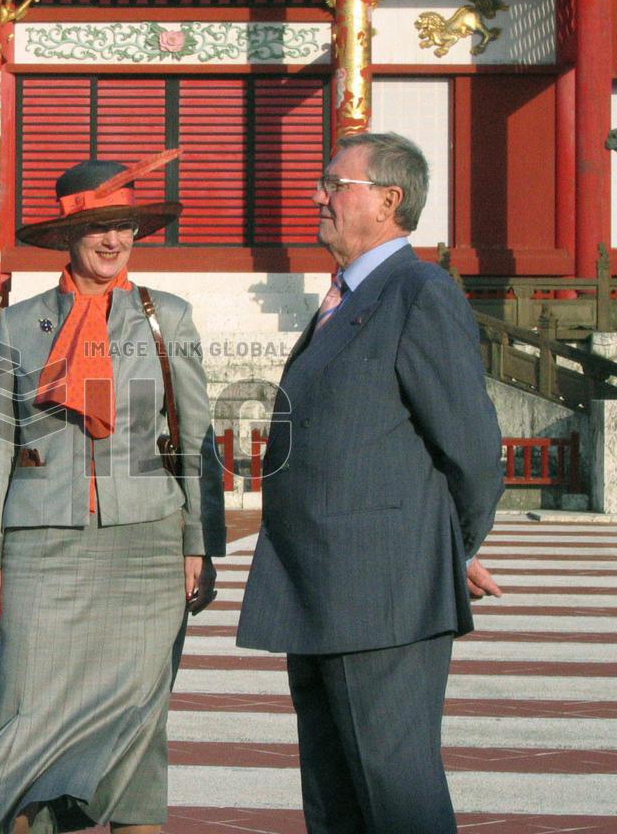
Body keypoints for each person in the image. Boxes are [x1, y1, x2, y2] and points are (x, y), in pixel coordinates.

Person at [0, 151, 226, 834]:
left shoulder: (165, 317)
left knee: (138, 727)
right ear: (68, 236)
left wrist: (198, 546)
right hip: (41, 547)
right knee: (24, 717)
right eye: (99, 228)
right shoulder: (20, 324)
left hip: (147, 545)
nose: (114, 241)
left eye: (126, 227)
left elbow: (195, 440)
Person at [236, 132, 505, 832]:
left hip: (382, 587)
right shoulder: (346, 296)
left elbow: (472, 448)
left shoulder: (417, 290)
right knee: (334, 791)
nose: (316, 196)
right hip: (317, 581)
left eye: (334, 183)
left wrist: (448, 544)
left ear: (388, 200)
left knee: (394, 790)